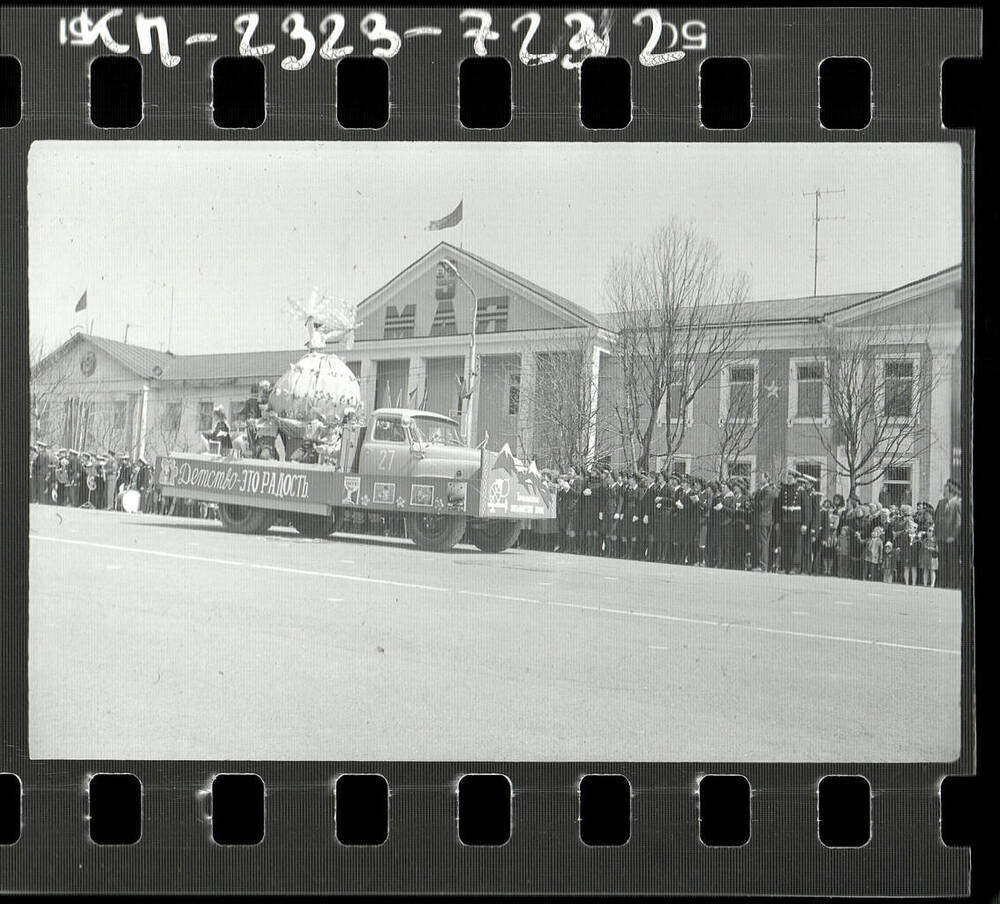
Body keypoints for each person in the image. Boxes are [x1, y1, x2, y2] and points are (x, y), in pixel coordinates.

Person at [934, 479, 961, 588]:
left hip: (952, 539)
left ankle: (953, 584)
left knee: (952, 562)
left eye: (945, 489)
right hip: (941, 538)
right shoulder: (941, 503)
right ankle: (942, 583)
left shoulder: (958, 503)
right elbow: (936, 519)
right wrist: (936, 535)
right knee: (942, 561)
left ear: (951, 490)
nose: (943, 491)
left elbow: (959, 522)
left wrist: (953, 536)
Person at [753, 473, 779, 572]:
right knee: (761, 542)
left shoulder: (768, 491)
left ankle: (763, 565)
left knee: (763, 542)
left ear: (767, 479)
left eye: (762, 477)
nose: (760, 479)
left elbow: (762, 505)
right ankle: (761, 564)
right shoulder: (763, 490)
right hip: (762, 518)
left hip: (764, 518)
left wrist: (752, 503)